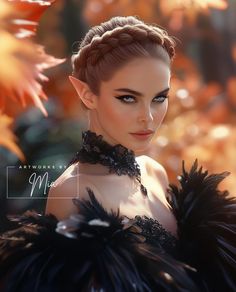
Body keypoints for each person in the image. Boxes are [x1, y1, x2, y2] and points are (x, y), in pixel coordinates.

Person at [0, 16, 236, 292]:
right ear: (87, 94)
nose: (148, 118)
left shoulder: (153, 171)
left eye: (159, 97)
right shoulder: (71, 191)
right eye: (128, 98)